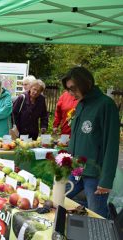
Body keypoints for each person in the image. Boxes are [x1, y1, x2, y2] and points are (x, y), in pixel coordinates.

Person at [63, 67, 119, 218]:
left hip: (95, 175)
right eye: (68, 89)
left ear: (86, 83)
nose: (70, 93)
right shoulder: (81, 104)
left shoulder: (106, 105)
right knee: (59, 200)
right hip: (75, 171)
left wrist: (106, 180)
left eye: (73, 88)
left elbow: (112, 145)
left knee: (96, 216)